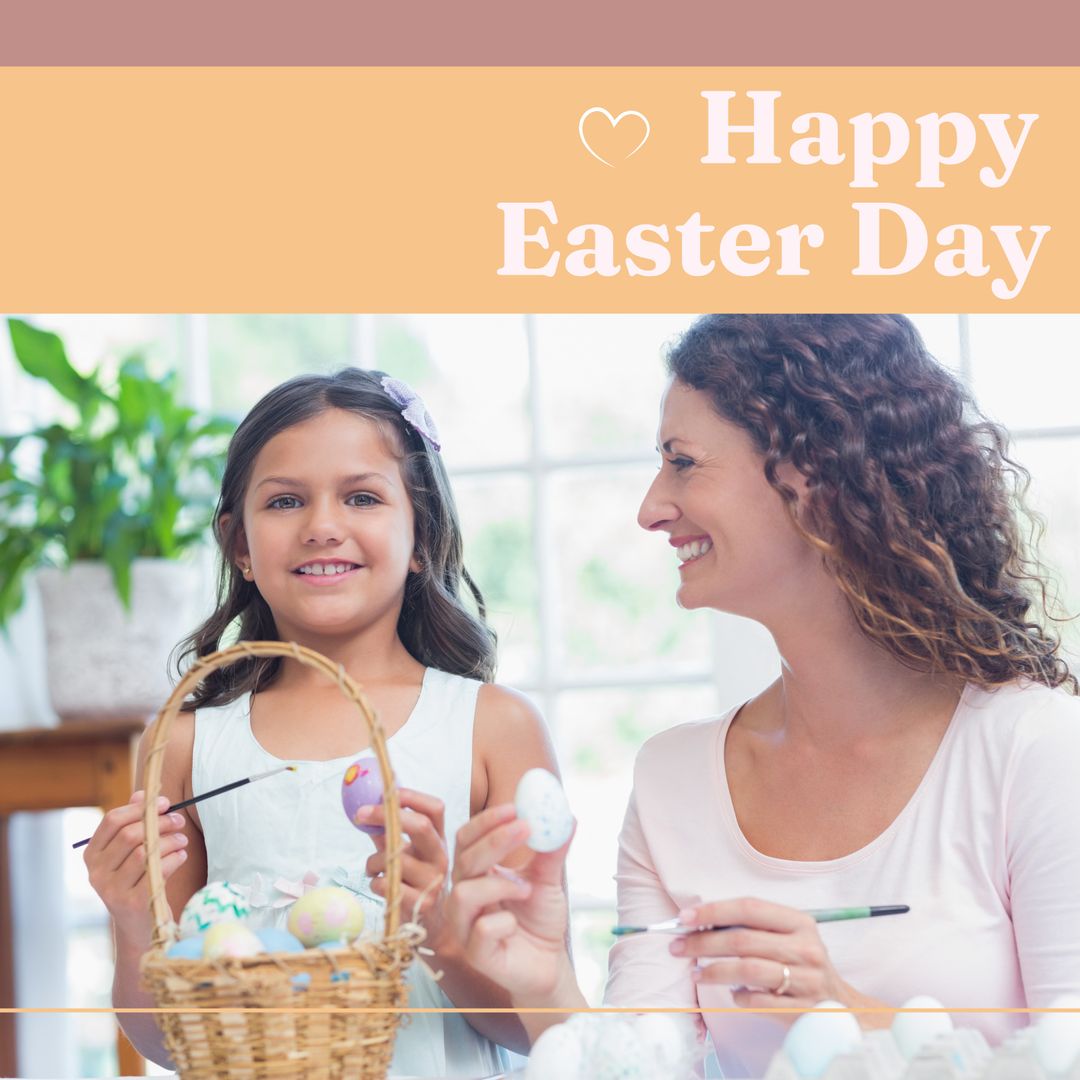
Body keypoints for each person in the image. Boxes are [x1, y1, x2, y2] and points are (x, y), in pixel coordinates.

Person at [447, 314, 1080, 1078]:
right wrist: (545, 981)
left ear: (812, 474)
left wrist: (845, 1015)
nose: (651, 507)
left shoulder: (1032, 748)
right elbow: (654, 1069)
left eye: (683, 463)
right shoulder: (674, 778)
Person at [83, 368, 558, 1075]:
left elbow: (540, 1026)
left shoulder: (494, 727)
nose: (323, 527)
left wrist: (436, 927)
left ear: (422, 532)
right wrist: (130, 926)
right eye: (284, 502)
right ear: (239, 546)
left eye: (362, 496)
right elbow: (169, 1040)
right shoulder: (186, 741)